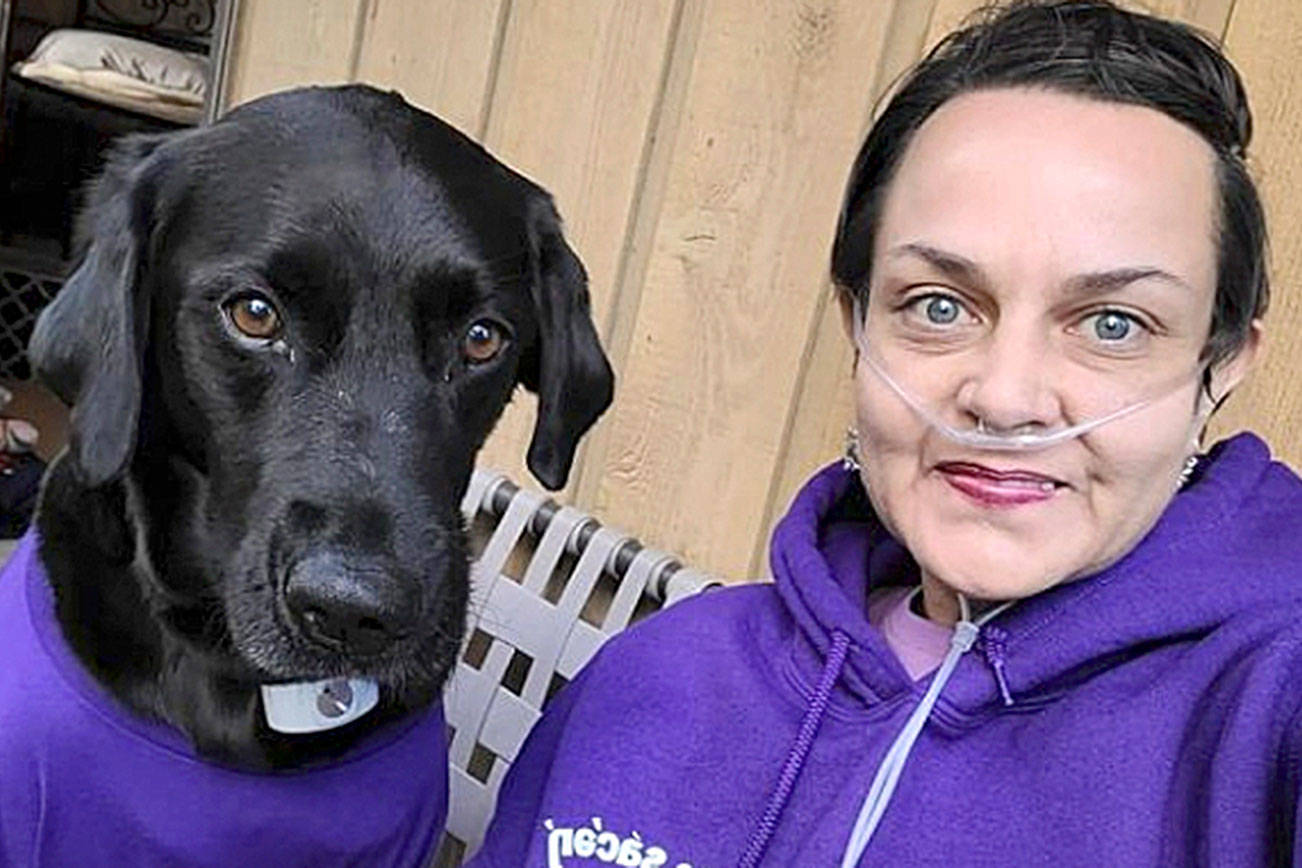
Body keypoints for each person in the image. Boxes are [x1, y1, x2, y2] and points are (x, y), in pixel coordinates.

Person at [469, 2, 1301, 865]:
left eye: (1113, 324)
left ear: (1220, 365)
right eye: (938, 307)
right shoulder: (665, 674)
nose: (1005, 399)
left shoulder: (1267, 712)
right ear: (857, 324)